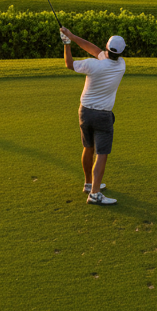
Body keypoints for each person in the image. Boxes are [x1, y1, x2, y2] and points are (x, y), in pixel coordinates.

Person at [59, 26, 126, 206]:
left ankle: (89, 184)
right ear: (120, 52)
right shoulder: (121, 65)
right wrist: (71, 36)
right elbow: (94, 49)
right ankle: (95, 194)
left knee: (88, 147)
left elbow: (69, 64)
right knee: (102, 154)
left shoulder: (92, 64)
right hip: (103, 115)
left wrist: (67, 43)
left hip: (84, 112)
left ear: (107, 47)